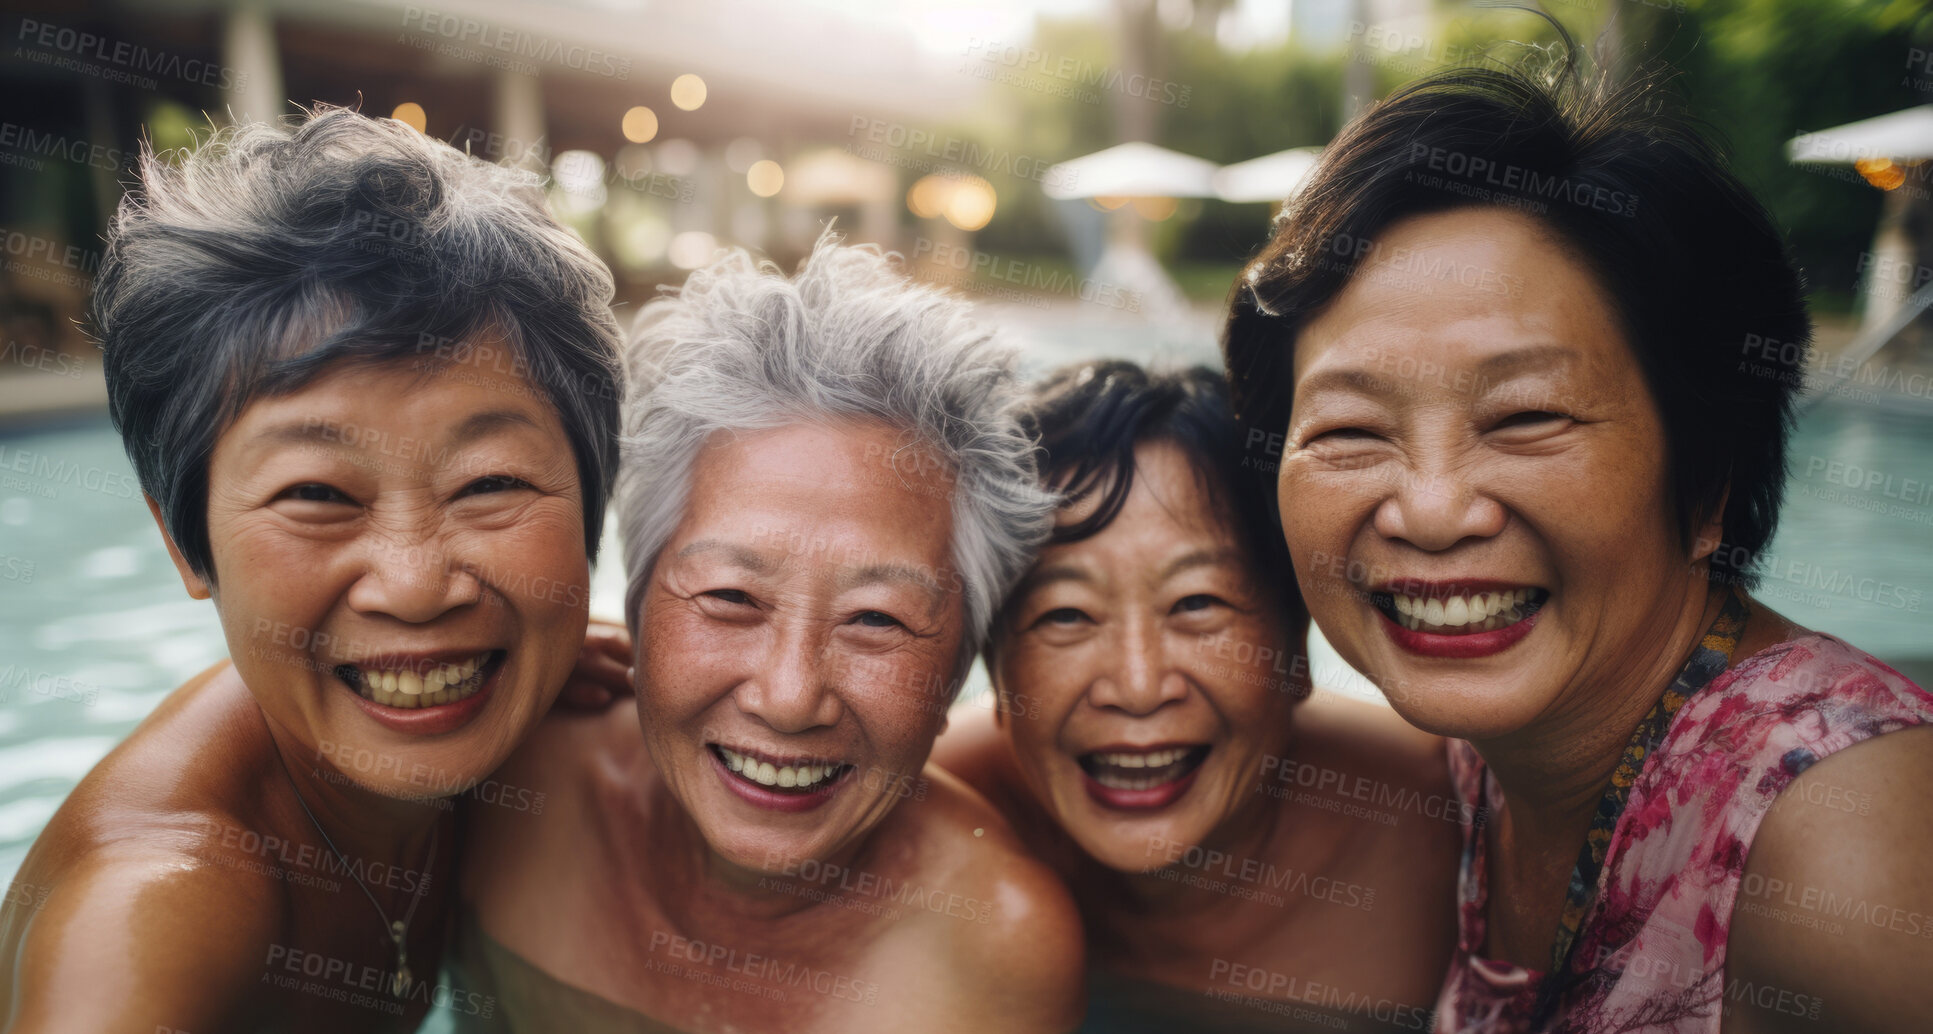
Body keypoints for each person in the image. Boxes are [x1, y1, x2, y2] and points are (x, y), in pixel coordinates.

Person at [1223, 66, 1933, 1033]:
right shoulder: (1485, 762)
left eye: (1525, 417)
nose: (1430, 512)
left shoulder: (1842, 845)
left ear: (1709, 480)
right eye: (1350, 431)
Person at [0, 106, 627, 1033]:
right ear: (184, 545)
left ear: (593, 500)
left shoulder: (516, 710)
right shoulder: (156, 908)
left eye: (488, 483)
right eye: (318, 496)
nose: (416, 588)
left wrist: (531, 643)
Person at [452, 239, 1086, 1033]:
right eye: (730, 598)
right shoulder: (514, 784)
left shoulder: (989, 945)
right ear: (638, 605)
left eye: (875, 620)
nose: (789, 698)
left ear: (959, 668)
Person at [934, 361, 1457, 1033]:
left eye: (1196, 603)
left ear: (1297, 646)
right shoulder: (933, 821)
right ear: (994, 665)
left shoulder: (1449, 821)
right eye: (1065, 614)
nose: (1137, 685)